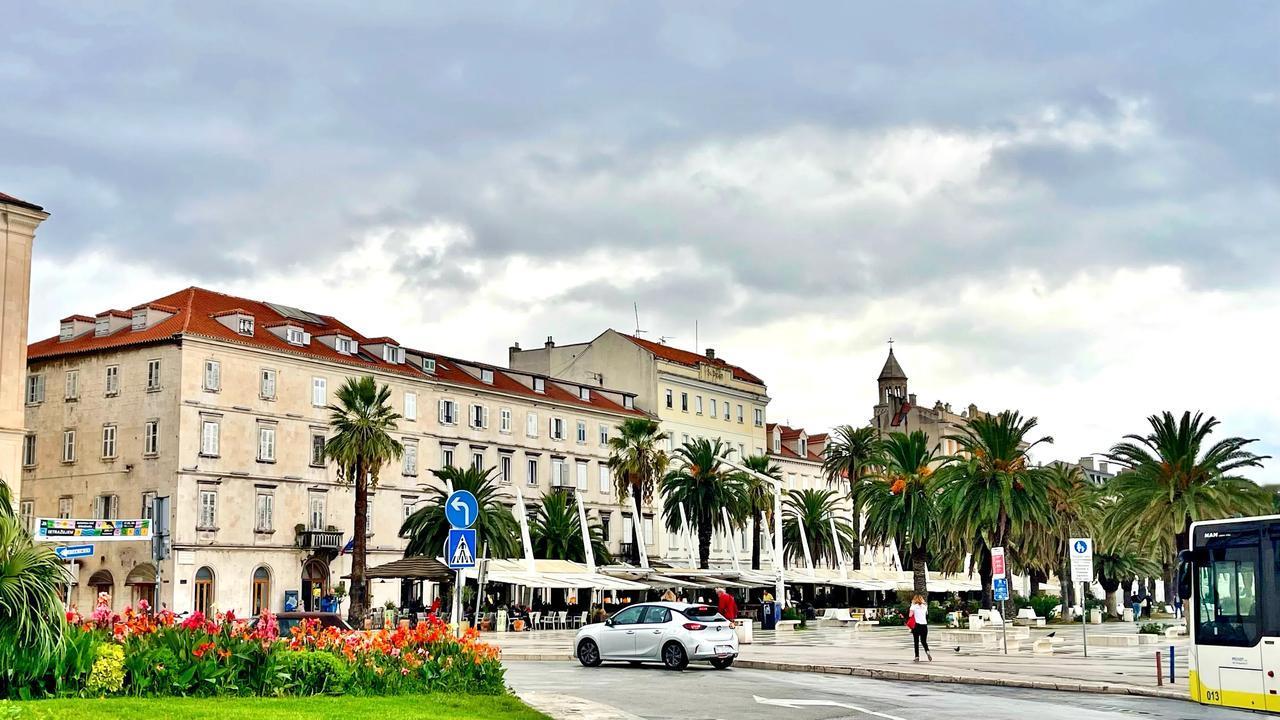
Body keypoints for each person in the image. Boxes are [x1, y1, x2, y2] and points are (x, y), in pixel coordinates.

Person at [909, 594, 932, 662]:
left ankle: (917, 656)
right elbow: (926, 614)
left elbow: (910, 615)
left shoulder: (913, 606)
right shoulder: (925, 606)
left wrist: (912, 606)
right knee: (924, 641)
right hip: (924, 625)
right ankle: (927, 651)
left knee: (916, 641)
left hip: (916, 625)